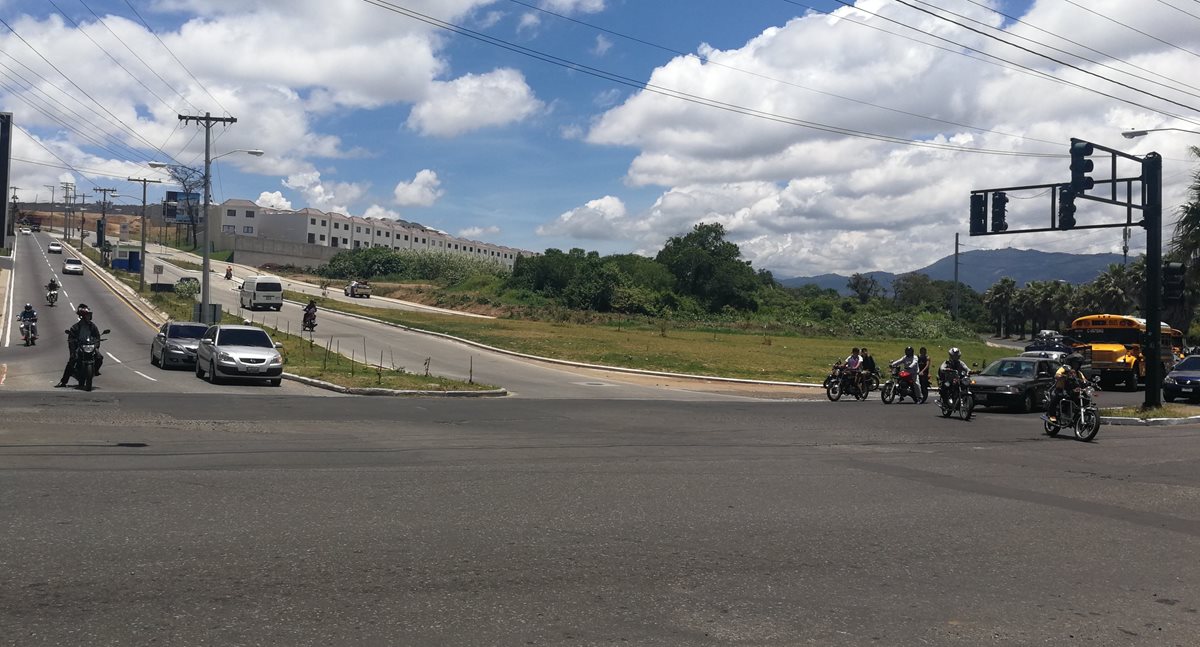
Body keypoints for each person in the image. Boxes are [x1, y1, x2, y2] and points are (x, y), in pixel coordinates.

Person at [56, 304, 103, 388]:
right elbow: (71, 340)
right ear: (82, 316)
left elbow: (97, 336)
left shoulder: (92, 326)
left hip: (90, 346)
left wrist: (96, 345)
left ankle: (95, 371)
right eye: (87, 315)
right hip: (80, 347)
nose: (89, 317)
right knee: (72, 361)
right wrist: (73, 350)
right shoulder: (75, 327)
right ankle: (63, 381)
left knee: (99, 357)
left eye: (89, 315)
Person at [1047, 354, 1086, 423]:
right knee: (1057, 397)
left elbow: (1084, 380)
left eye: (1078, 363)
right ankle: (1052, 415)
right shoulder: (1064, 369)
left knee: (1085, 398)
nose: (1076, 365)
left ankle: (1079, 415)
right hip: (1062, 389)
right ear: (1070, 363)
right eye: (1075, 363)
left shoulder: (1079, 373)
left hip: (1072, 391)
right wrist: (1061, 376)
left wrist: (1090, 383)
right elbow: (1057, 374)